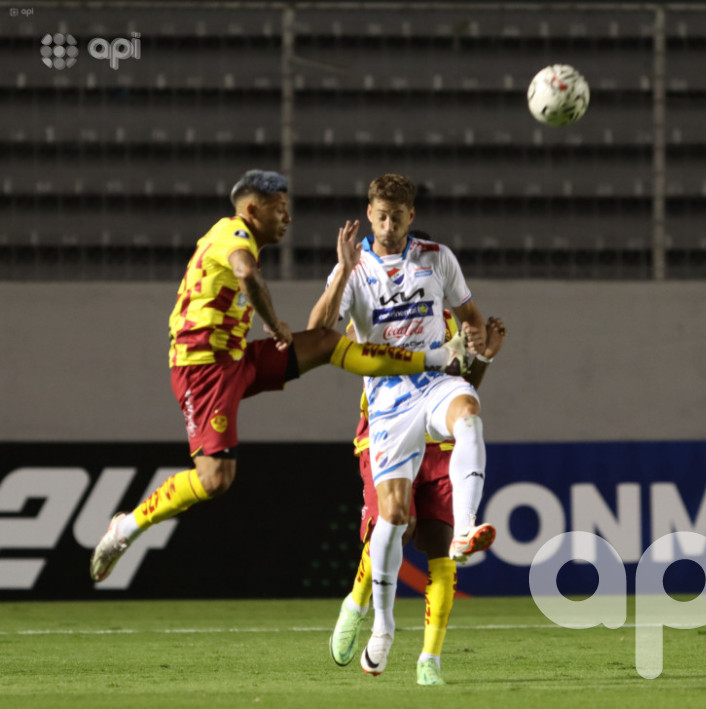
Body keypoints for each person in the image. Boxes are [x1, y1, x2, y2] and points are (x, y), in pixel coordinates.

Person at [89, 170, 468, 583]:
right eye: (280, 208)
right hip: (203, 369)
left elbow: (314, 322)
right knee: (215, 480)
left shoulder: (238, 237)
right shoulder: (232, 234)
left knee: (324, 342)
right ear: (253, 209)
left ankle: (431, 359)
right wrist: (272, 322)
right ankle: (126, 528)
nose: (287, 218)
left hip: (236, 358)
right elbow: (246, 274)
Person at [308, 174, 496, 676]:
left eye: (398, 216)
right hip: (387, 406)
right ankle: (380, 626)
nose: (389, 225)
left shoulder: (438, 258)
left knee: (470, 417)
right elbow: (317, 332)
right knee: (391, 520)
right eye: (380, 215)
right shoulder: (356, 268)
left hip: (435, 385)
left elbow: (472, 319)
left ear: (411, 216)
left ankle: (467, 528)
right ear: (368, 214)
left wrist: (481, 345)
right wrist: (345, 271)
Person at [330, 314, 507, 686]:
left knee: (443, 551)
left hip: (438, 446)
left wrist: (483, 358)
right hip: (387, 436)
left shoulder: (446, 318)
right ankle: (357, 605)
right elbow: (354, 346)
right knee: (395, 524)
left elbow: (458, 386)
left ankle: (430, 660)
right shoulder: (379, 305)